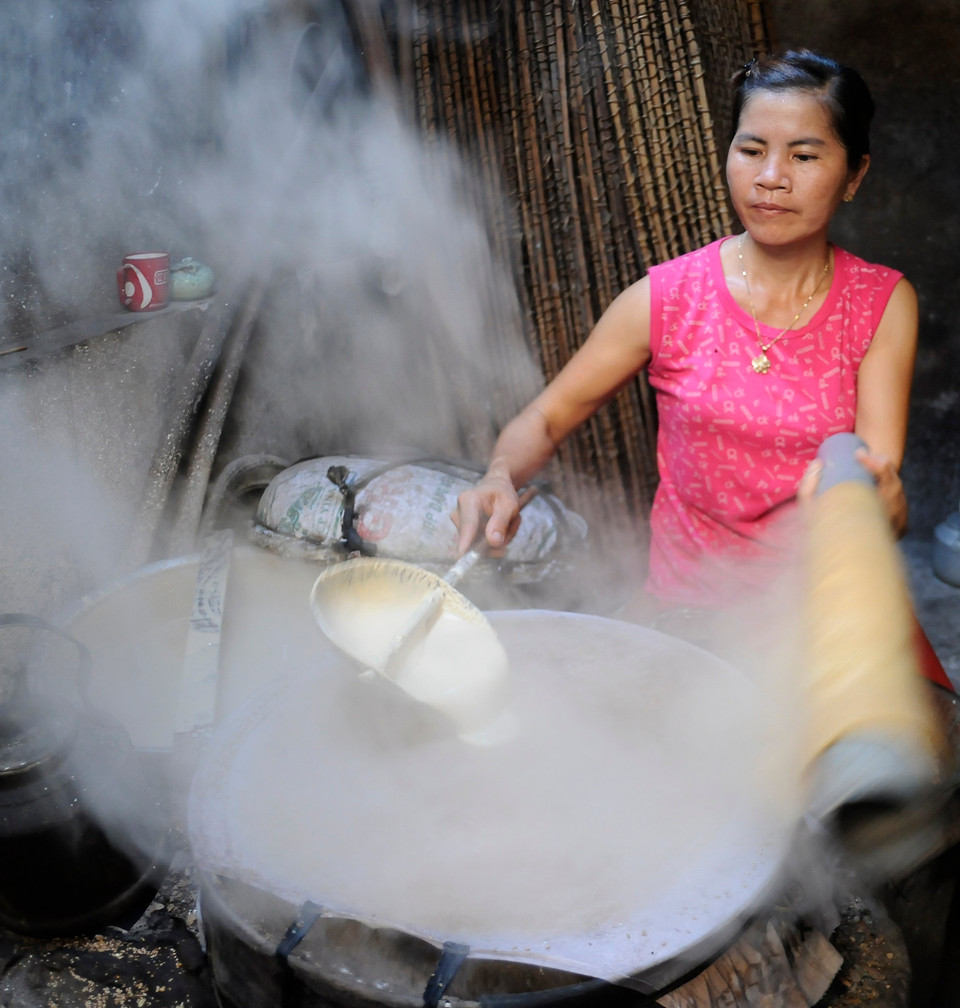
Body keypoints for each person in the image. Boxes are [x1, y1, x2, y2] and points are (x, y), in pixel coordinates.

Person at [454, 48, 951, 687]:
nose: (771, 177)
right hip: (687, 610)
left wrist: (881, 501)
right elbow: (548, 418)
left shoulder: (882, 304)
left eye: (804, 155)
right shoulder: (665, 298)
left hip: (824, 609)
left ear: (854, 175)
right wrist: (497, 475)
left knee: (887, 773)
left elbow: (879, 488)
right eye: (751, 150)